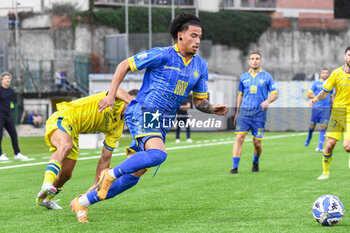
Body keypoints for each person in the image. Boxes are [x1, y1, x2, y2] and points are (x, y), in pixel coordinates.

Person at [70, 12, 228, 223]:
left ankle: (83, 202)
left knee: (132, 178)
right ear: (180, 35)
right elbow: (123, 65)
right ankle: (109, 174)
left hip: (162, 122)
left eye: (200, 36)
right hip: (145, 111)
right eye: (193, 35)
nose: (198, 41)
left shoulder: (201, 66)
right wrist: (110, 95)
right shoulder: (162, 55)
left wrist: (212, 109)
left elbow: (200, 101)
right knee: (158, 155)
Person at [35, 88, 138, 210]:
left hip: (74, 131)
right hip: (64, 117)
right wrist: (133, 104)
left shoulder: (117, 128)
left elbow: (105, 158)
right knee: (65, 146)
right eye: (130, 103)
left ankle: (45, 199)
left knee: (66, 175)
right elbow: (116, 90)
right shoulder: (115, 99)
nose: (129, 108)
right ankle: (46, 184)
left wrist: (97, 184)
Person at [229, 52, 278, 174]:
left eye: (257, 59)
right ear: (249, 61)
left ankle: (255, 161)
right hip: (244, 114)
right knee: (239, 137)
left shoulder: (267, 77)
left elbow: (275, 94)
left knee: (257, 143)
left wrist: (267, 101)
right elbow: (240, 95)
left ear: (260, 61)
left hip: (259, 114)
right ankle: (235, 167)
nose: (255, 61)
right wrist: (237, 112)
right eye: (252, 59)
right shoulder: (243, 77)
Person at [312, 46, 350, 180]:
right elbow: (325, 92)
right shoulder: (336, 73)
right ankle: (325, 173)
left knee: (347, 146)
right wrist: (316, 98)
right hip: (338, 113)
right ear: (345, 57)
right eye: (349, 55)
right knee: (329, 145)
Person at [0, 72, 29, 161]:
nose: (8, 80)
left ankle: (17, 153)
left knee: (14, 134)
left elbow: (14, 102)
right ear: (1, 80)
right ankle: (0, 154)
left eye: (9, 78)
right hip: (0, 115)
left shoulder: (11, 91)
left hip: (8, 116)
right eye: (6, 78)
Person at [304, 68, 334, 152]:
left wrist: (335, 105)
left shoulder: (330, 84)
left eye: (327, 73)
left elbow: (332, 97)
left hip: (326, 109)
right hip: (316, 108)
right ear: (321, 74)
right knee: (312, 126)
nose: (325, 74)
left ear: (328, 75)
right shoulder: (316, 84)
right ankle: (309, 137)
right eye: (323, 73)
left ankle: (320, 147)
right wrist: (317, 97)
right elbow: (309, 95)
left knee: (323, 127)